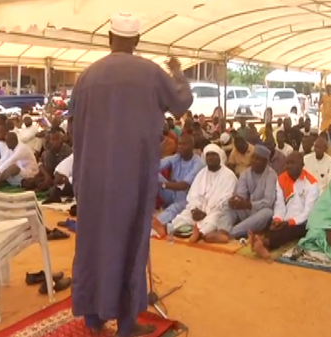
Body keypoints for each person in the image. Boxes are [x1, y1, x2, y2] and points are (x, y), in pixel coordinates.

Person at [68, 13, 194, 337]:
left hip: (91, 178)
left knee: (93, 243)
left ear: (109, 39)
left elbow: (73, 123)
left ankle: (94, 320)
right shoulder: (151, 73)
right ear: (137, 42)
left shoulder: (86, 76)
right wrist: (178, 71)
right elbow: (182, 102)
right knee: (129, 245)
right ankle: (126, 325)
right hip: (131, 178)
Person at [250, 152, 319, 259]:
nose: (289, 166)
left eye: (292, 163)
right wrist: (277, 219)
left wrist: (288, 222)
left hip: (302, 222)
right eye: (287, 163)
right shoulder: (281, 179)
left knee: (289, 230)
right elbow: (279, 204)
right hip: (285, 219)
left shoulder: (312, 184)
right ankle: (262, 243)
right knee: (271, 220)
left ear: (302, 164)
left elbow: (307, 213)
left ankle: (264, 242)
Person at [170, 144, 237, 243]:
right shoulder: (201, 174)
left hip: (215, 211)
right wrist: (194, 210)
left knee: (212, 221)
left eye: (214, 155)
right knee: (183, 216)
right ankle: (169, 229)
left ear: (220, 157)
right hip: (198, 210)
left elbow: (225, 200)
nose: (211, 158)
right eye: (208, 155)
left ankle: (199, 234)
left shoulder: (229, 176)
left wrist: (206, 212)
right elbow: (193, 195)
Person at [151, 134, 205, 238]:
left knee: (175, 207)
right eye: (179, 144)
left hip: (186, 197)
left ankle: (157, 222)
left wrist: (163, 184)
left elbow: (184, 185)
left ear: (191, 146)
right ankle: (147, 210)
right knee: (152, 173)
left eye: (184, 144)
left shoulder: (198, 163)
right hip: (171, 192)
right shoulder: (177, 157)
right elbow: (156, 166)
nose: (180, 147)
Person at [219, 145, 277, 239]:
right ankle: (222, 230)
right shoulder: (245, 174)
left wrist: (248, 205)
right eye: (253, 157)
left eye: (257, 159)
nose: (253, 161)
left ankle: (230, 234)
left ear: (265, 162)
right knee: (227, 203)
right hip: (245, 209)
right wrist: (236, 200)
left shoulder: (271, 175)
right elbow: (241, 194)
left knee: (268, 213)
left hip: (259, 212)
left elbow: (268, 202)